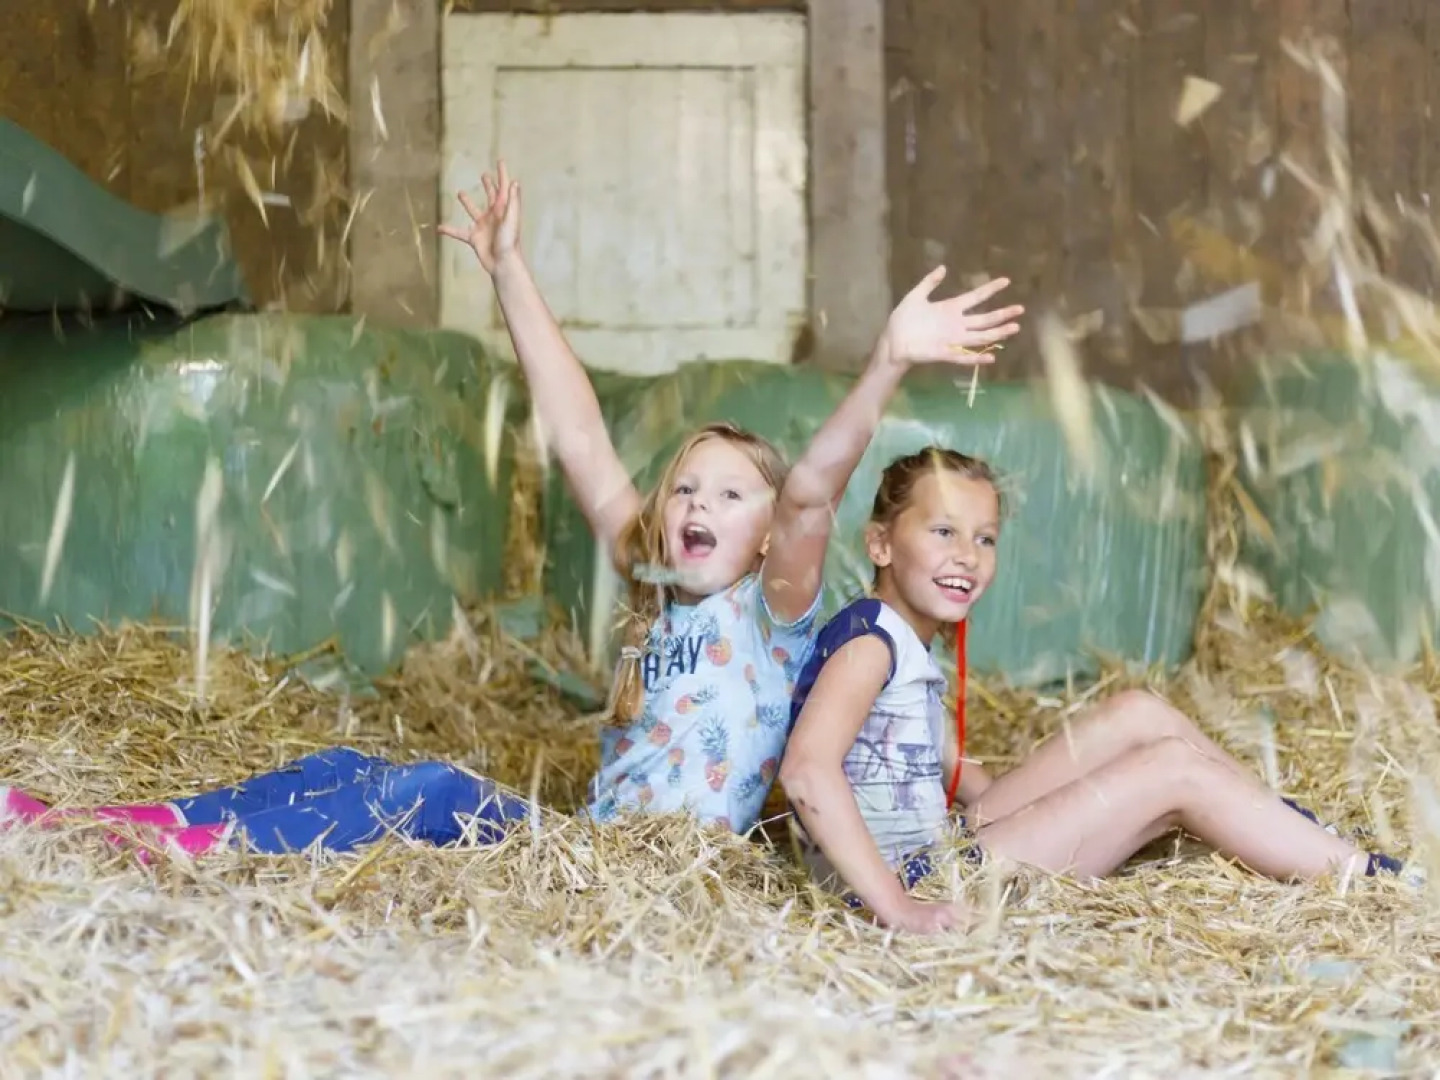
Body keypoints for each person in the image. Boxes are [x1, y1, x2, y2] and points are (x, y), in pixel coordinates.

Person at [0, 165, 1025, 859]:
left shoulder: (774, 610)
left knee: (436, 792)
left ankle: (176, 845)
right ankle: (121, 826)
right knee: (355, 767)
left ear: (767, 535)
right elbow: (578, 432)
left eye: (729, 493)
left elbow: (813, 489)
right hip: (585, 859)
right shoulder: (660, 590)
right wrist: (508, 273)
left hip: (630, 879)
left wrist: (888, 359)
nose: (696, 505)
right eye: (684, 488)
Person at [779, 446, 1412, 936]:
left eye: (986, 537)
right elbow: (807, 770)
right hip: (907, 883)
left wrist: (1062, 801)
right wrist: (897, 907)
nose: (968, 555)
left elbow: (953, 774)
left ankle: (1281, 824)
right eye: (943, 532)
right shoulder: (868, 643)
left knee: (1138, 714)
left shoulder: (899, 637)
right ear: (881, 543)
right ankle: (1368, 877)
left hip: (946, 844)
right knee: (1168, 772)